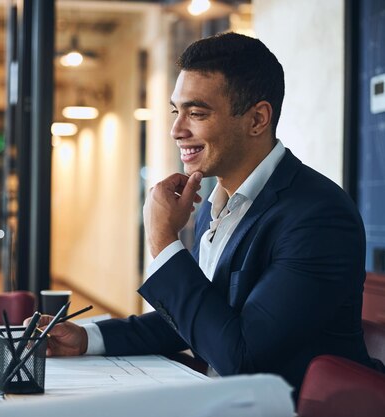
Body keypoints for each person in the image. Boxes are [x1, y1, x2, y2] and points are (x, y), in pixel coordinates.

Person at [28, 32, 379, 397]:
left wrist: (164, 241)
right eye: (176, 111)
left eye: (196, 113)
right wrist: (86, 338)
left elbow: (242, 358)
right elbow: (199, 320)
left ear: (258, 119)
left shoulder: (318, 216)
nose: (176, 130)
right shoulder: (220, 202)